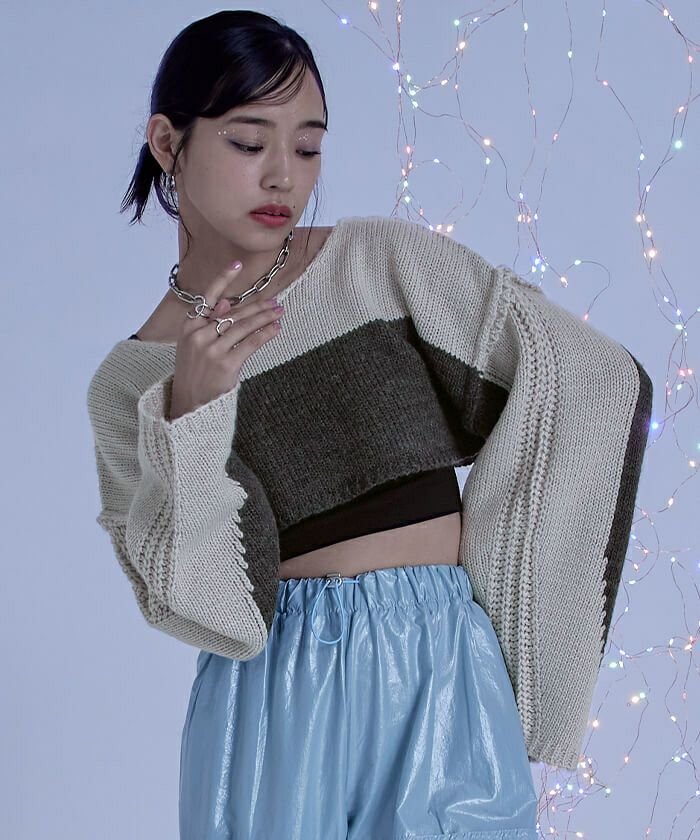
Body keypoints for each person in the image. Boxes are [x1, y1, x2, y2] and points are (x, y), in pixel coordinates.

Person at [86, 10, 653, 840]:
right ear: (169, 142)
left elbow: (587, 378)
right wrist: (193, 417)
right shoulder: (132, 384)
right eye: (249, 143)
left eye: (308, 147)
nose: (283, 175)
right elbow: (211, 612)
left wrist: (512, 612)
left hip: (443, 666)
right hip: (274, 700)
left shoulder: (379, 265)